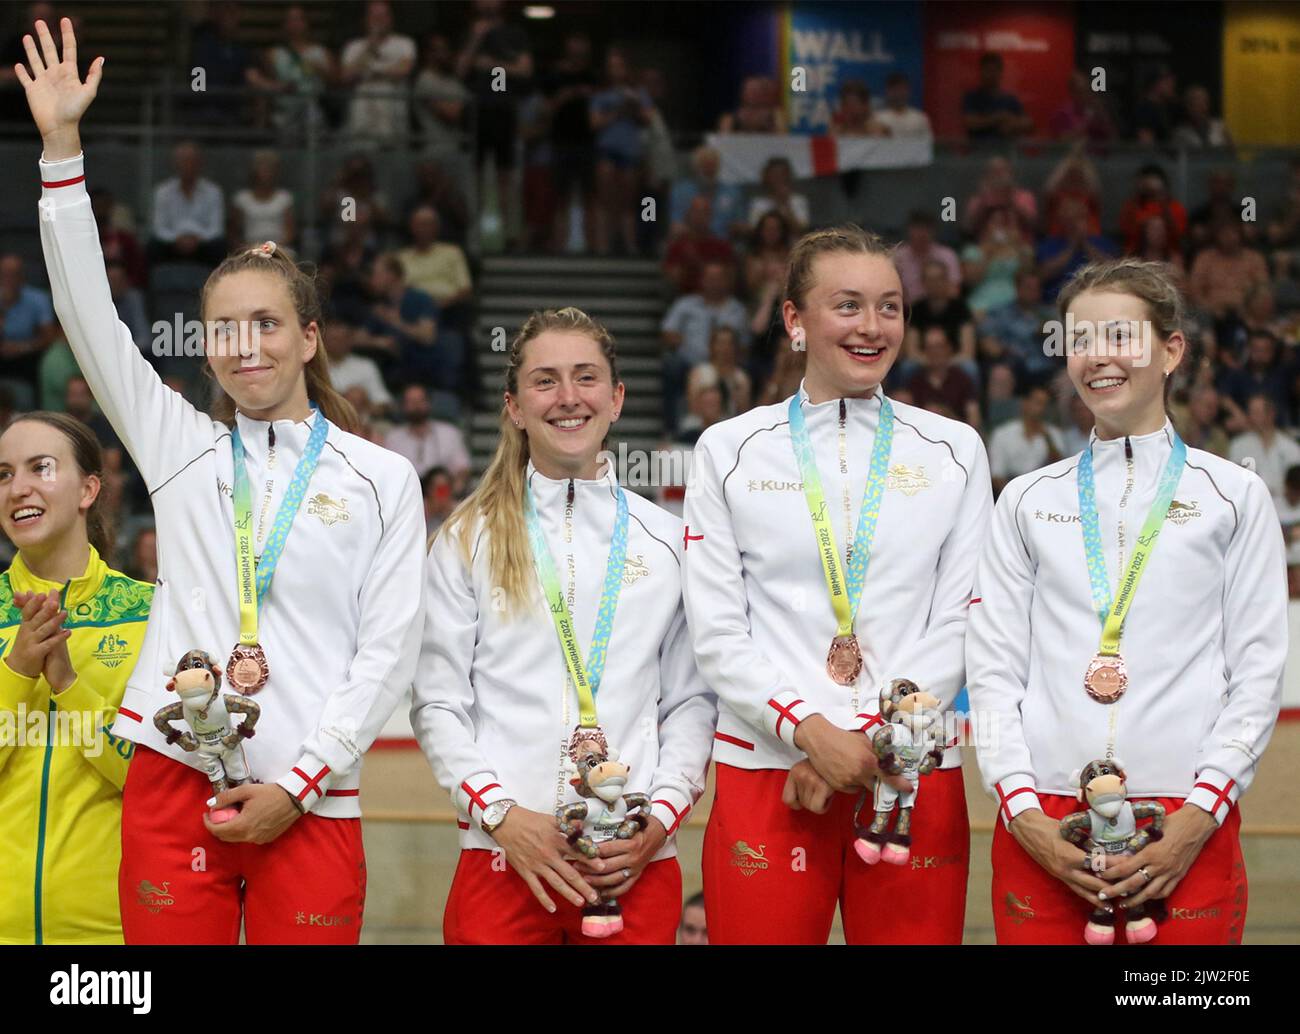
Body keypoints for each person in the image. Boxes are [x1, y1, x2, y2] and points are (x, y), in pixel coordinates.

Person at [22, 17, 426, 944]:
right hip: (173, 774)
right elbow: (88, 316)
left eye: (269, 324)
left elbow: (387, 653)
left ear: (310, 337)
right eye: (225, 328)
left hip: (312, 794)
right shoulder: (182, 449)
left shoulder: (380, 478)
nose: (247, 345)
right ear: (204, 347)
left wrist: (304, 778)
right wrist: (61, 153)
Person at [683, 225, 992, 944]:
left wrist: (868, 743)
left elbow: (964, 619)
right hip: (770, 764)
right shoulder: (728, 451)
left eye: (890, 306)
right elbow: (718, 632)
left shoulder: (956, 451)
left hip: (911, 766)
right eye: (847, 305)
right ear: (795, 319)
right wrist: (810, 731)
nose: (872, 326)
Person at [967, 258, 1285, 944]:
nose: (1097, 359)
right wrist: (1025, 815)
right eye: (1081, 340)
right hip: (1045, 821)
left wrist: (1201, 813)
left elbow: (1257, 675)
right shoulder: (1026, 499)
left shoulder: (1233, 495)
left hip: (1186, 822)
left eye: (1120, 337)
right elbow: (991, 675)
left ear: (1172, 350)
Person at [412, 307, 715, 944]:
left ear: (617, 398)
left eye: (586, 377)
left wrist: (657, 821)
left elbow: (691, 701)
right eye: (545, 381)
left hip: (629, 864)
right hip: (504, 856)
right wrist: (501, 815)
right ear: (515, 406)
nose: (568, 398)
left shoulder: (669, 542)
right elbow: (438, 702)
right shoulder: (467, 539)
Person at [0, 412, 152, 943]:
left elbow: (150, 784)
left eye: (40, 467)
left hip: (110, 937)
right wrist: (17, 672)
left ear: (89, 488)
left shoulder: (150, 615)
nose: (18, 487)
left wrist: (68, 686)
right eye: (3, 474)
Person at [339, 0, 416, 145]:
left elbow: (404, 70)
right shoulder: (353, 47)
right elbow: (346, 76)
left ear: (391, 19)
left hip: (393, 118)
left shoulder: (405, 43)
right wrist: (370, 47)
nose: (379, 21)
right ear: (365, 20)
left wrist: (371, 71)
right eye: (375, 17)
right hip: (362, 119)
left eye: (383, 16)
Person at [149, 141, 226, 265]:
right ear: (175, 164)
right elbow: (159, 228)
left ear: (200, 164)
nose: (188, 165)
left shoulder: (213, 191)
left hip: (203, 245)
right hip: (172, 244)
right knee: (153, 247)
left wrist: (196, 239)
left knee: (219, 246)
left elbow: (216, 228)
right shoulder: (162, 191)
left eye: (192, 161)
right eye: (183, 161)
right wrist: (177, 239)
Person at [383, 383, 470, 489]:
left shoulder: (449, 433)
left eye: (420, 400)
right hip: (405, 493)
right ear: (403, 406)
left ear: (429, 403)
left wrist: (453, 494)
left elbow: (462, 469)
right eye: (411, 402)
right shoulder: (393, 437)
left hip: (441, 494)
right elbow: (388, 474)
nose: (416, 405)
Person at [988, 385, 1066, 497]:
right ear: (1024, 403)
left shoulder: (1053, 434)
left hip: (1045, 493)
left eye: (1045, 405)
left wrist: (1047, 438)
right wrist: (1015, 497)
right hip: (1009, 491)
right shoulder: (1002, 434)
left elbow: (1061, 470)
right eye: (1038, 403)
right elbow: (996, 475)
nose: (1041, 409)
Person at [1229, 394, 1300, 506]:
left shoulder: (1291, 447)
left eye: (1256, 413)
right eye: (1250, 412)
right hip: (1252, 508)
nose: (1251, 417)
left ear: (1271, 414)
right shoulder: (1238, 445)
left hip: (1288, 511)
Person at [230, 150, 295, 251]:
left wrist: (270, 249)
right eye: (262, 169)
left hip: (280, 248)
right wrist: (245, 248)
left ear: (276, 172)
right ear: (254, 171)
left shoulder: (285, 198)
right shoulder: (241, 198)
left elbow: (290, 233)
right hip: (249, 248)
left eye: (270, 169)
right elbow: (233, 232)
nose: (266, 174)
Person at [962, 53, 1032, 142]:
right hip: (979, 153)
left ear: (1001, 72)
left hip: (1006, 152)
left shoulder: (1010, 99)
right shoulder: (972, 97)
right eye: (987, 70)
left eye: (994, 70)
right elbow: (970, 123)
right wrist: (998, 118)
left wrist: (1012, 123)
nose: (991, 74)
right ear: (981, 71)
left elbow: (1028, 124)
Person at [874, 72, 931, 139]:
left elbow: (927, 144)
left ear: (908, 91)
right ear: (887, 92)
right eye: (894, 90)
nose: (898, 94)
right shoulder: (878, 118)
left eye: (901, 89)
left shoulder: (919, 118)